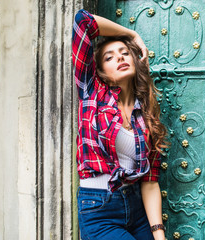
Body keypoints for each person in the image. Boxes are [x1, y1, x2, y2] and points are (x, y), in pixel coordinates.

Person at [72, 9, 168, 240]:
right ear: (100, 70)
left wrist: (159, 234)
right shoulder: (91, 91)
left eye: (125, 53)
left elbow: (150, 180)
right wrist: (131, 34)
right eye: (110, 57)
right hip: (99, 210)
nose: (120, 57)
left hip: (136, 209)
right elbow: (83, 21)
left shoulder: (145, 113)